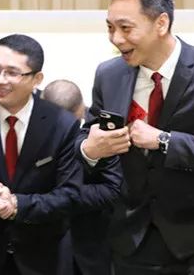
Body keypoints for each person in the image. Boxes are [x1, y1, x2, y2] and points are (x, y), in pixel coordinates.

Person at [78, 0, 194, 274]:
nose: (116, 38)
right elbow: (87, 138)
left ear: (161, 23)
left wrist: (164, 141)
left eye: (125, 28)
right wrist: (90, 150)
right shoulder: (109, 75)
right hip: (130, 242)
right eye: (110, 27)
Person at [0, 34, 81, 275]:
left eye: (12, 73)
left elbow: (69, 195)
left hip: (43, 256)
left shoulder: (62, 124)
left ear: (37, 79)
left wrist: (17, 205)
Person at [42, 79, 121, 275]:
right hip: (43, 245)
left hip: (94, 243)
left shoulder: (103, 131)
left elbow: (112, 190)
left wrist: (58, 194)